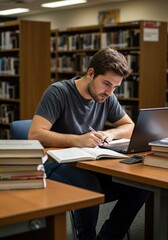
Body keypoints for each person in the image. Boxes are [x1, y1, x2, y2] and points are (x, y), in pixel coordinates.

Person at [29, 48, 149, 240]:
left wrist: (109, 133)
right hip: (53, 163)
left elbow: (129, 126)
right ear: (91, 73)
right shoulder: (58, 92)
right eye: (106, 84)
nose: (109, 92)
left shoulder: (106, 97)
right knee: (89, 186)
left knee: (141, 185)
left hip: (88, 163)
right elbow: (34, 134)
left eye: (115, 88)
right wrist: (77, 139)